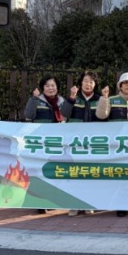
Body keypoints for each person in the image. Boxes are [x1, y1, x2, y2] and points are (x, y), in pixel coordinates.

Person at [97, 70, 128, 216]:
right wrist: (104, 98)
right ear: (120, 86)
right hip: (118, 146)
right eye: (125, 83)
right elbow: (101, 115)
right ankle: (121, 205)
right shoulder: (111, 99)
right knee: (120, 176)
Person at [60, 70, 103, 216]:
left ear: (95, 84)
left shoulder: (99, 99)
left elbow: (105, 118)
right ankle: (73, 205)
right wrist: (71, 98)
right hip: (75, 143)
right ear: (80, 83)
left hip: (93, 143)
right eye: (85, 81)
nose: (88, 84)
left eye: (91, 82)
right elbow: (64, 114)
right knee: (74, 173)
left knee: (90, 173)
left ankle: (87, 203)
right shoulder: (74, 98)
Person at [24, 75, 65, 214]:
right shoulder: (37, 100)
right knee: (39, 171)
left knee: (53, 171)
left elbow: (67, 118)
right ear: (42, 88)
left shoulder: (62, 102)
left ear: (57, 87)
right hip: (40, 143)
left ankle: (51, 199)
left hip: (57, 143)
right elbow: (28, 115)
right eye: (47, 86)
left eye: (53, 85)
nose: (50, 88)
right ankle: (39, 201)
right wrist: (33, 99)